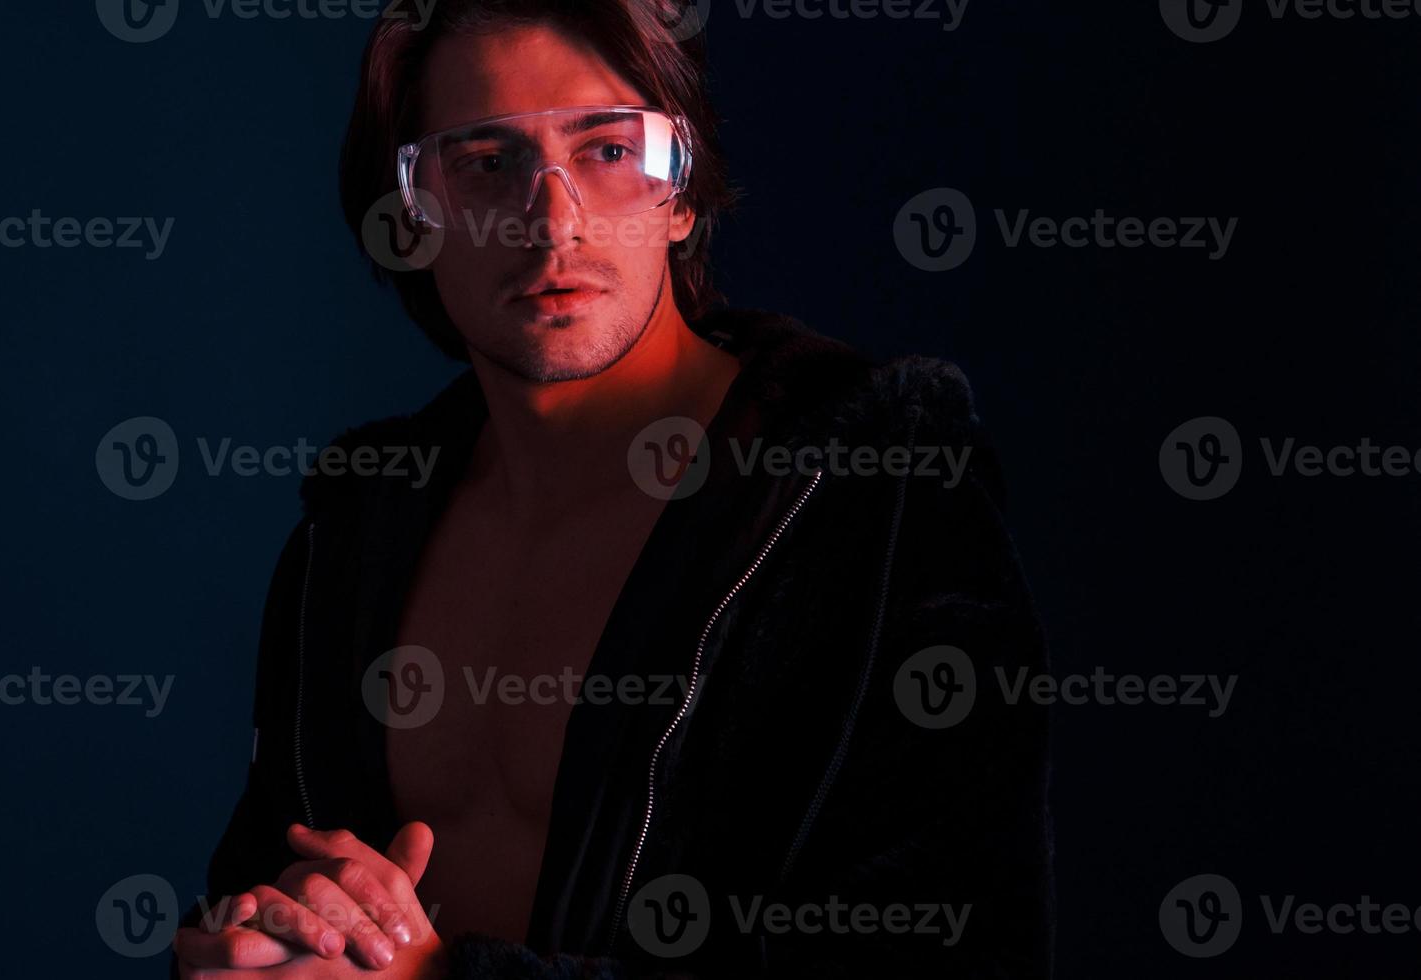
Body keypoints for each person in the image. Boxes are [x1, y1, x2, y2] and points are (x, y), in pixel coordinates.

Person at [173, 1, 1053, 975]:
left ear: (682, 193)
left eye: (605, 151)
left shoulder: (874, 510)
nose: (553, 219)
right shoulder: (351, 540)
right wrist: (261, 939)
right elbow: (265, 878)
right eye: (485, 162)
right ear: (411, 214)